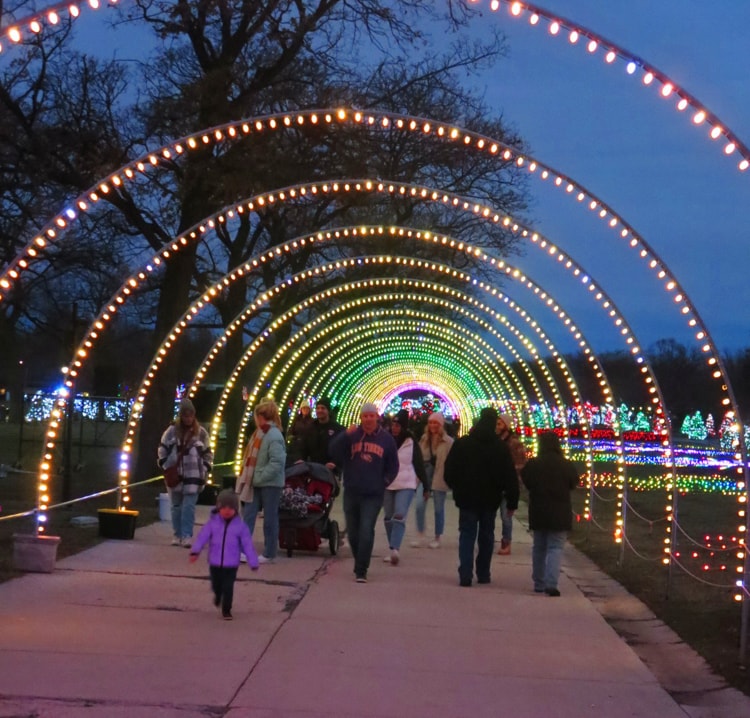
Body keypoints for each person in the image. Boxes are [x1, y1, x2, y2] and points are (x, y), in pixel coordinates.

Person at [444, 407, 518, 587]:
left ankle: (466, 573)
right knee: (487, 535)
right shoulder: (500, 447)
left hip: (467, 499)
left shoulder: (463, 444)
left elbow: (449, 470)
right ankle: (483, 572)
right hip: (490, 500)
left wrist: (456, 488)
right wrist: (512, 501)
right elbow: (510, 475)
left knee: (467, 534)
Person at [329, 402, 399, 583]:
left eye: (371, 415)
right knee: (353, 532)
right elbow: (333, 450)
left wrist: (384, 482)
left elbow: (393, 465)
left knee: (366, 529)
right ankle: (359, 559)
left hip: (373, 494)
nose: (368, 419)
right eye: (365, 416)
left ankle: (361, 569)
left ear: (377, 417)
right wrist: (345, 435)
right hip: (352, 491)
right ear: (361, 418)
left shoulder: (386, 440)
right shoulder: (352, 436)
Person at [521, 431, 580, 597]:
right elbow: (574, 482)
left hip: (539, 510)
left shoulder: (534, 464)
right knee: (555, 547)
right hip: (560, 512)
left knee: (539, 547)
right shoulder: (565, 464)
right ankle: (551, 583)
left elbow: (526, 480)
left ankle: (538, 582)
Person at [189, 490, 259, 620]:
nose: (227, 511)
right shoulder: (212, 523)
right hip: (215, 562)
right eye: (224, 507)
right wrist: (195, 551)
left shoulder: (240, 526)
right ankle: (217, 595)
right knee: (216, 584)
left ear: (236, 509)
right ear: (218, 508)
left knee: (228, 586)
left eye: (231, 508)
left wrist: (253, 561)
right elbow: (202, 538)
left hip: (231, 564)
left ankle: (227, 609)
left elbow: (247, 544)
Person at [157, 397, 213, 547]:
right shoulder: (171, 432)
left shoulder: (201, 433)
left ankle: (187, 535)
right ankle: (177, 534)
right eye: (185, 415)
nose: (188, 418)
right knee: (176, 507)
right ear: (180, 416)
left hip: (194, 476)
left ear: (194, 416)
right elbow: (162, 449)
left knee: (189, 506)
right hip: (176, 474)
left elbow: (208, 453)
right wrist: (165, 465)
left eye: (190, 415)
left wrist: (205, 468)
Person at [236, 398, 286, 563]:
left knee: (270, 518)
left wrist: (259, 475)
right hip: (255, 482)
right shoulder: (259, 433)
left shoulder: (273, 435)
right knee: (248, 515)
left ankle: (270, 552)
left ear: (261, 416)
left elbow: (277, 462)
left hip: (270, 483)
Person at [383, 409, 428, 565]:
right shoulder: (385, 440)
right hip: (388, 484)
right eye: (393, 424)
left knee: (399, 515)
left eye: (398, 425)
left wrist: (426, 485)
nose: (395, 427)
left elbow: (419, 463)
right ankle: (391, 547)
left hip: (406, 483)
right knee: (388, 517)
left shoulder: (411, 441)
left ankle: (395, 549)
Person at [412, 411, 454, 549]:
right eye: (430, 422)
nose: (432, 425)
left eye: (435, 422)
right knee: (419, 505)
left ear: (441, 424)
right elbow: (417, 457)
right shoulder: (424, 439)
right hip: (425, 477)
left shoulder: (448, 442)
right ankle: (420, 533)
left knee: (438, 509)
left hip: (440, 477)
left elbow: (453, 461)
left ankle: (437, 536)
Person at [496, 413, 527, 556]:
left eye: (500, 424)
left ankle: (506, 542)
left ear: (506, 426)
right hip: (495, 484)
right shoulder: (494, 441)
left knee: (506, 516)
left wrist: (515, 484)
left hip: (508, 485)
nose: (497, 427)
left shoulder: (514, 443)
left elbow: (521, 465)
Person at [299, 396, 345, 470]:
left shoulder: (337, 429)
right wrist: (301, 459)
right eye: (318, 408)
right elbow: (304, 447)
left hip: (331, 470)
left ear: (328, 411)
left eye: (323, 408)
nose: (320, 410)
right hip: (313, 469)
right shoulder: (311, 428)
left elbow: (342, 449)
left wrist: (335, 463)